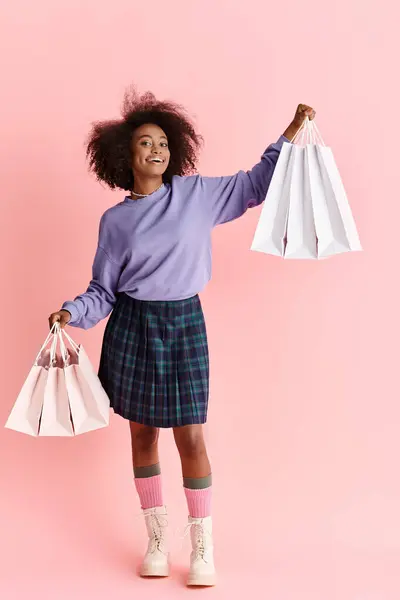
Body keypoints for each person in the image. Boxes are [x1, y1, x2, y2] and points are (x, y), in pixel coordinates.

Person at [49, 88, 315, 587]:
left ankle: (201, 548)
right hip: (133, 325)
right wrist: (70, 312)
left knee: (191, 436)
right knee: (142, 433)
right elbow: (102, 291)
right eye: (146, 143)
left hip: (185, 324)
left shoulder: (197, 196)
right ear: (123, 156)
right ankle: (155, 541)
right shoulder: (115, 221)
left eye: (164, 143)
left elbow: (257, 183)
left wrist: (291, 132)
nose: (158, 150)